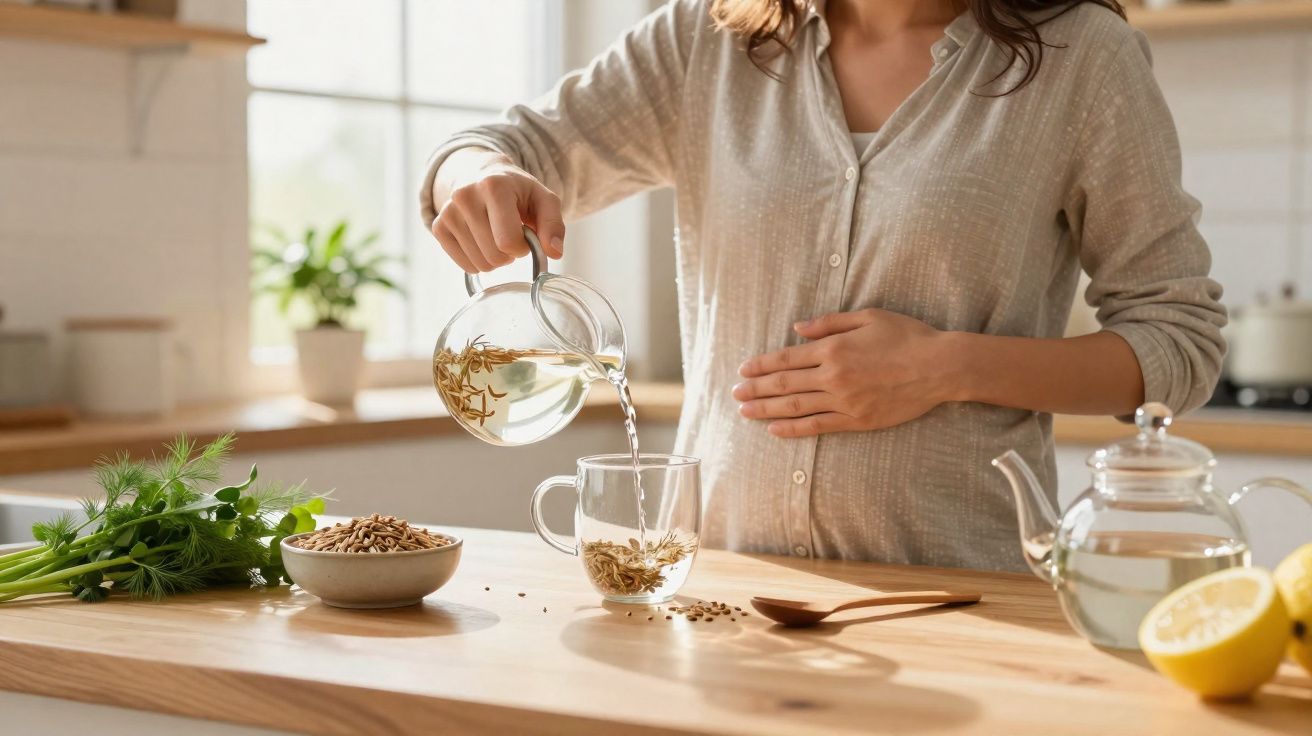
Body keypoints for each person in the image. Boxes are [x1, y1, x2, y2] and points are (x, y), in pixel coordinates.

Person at [418, 0, 1226, 571]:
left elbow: (1178, 340)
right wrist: (482, 172)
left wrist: (947, 365)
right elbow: (504, 142)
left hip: (962, 596)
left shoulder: (1081, 58)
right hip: (724, 593)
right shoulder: (704, 42)